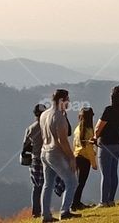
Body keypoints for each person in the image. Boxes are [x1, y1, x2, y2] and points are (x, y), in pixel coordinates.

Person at [40, 89, 79, 221]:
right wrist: (71, 157)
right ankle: (65, 211)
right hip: (55, 153)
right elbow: (63, 140)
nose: (69, 102)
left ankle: (45, 215)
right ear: (61, 100)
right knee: (72, 181)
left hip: (44, 151)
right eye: (67, 99)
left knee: (48, 184)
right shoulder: (59, 116)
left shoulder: (44, 114)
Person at [95, 85, 119, 207]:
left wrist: (95, 137)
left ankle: (103, 201)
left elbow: (98, 127)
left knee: (105, 174)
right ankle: (111, 199)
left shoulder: (108, 110)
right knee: (114, 172)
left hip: (106, 144)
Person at [23, 103, 53, 218]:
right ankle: (45, 210)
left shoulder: (30, 128)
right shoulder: (46, 126)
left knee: (36, 186)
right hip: (46, 158)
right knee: (47, 185)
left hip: (34, 159)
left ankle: (36, 212)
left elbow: (25, 145)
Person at [71, 107, 98, 211]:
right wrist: (94, 163)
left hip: (77, 157)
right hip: (85, 159)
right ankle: (75, 204)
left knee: (78, 182)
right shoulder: (89, 131)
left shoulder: (77, 129)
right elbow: (89, 149)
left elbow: (74, 144)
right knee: (81, 183)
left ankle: (76, 202)